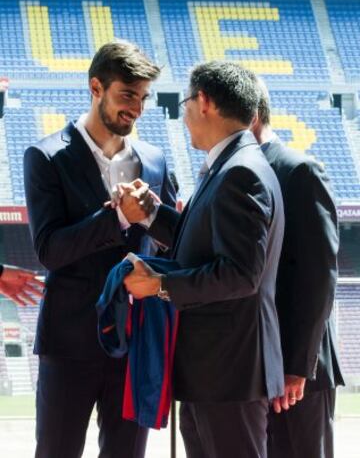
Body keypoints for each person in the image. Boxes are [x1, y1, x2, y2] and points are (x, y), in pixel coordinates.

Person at [121, 62, 285, 458]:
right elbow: (200, 246)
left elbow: (240, 273)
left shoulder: (239, 173)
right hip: (217, 371)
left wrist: (159, 286)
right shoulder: (229, 166)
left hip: (228, 372)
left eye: (185, 103)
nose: (184, 115)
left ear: (205, 102)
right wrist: (152, 215)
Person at [24, 40, 176, 458]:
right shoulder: (46, 155)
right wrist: (117, 218)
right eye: (127, 95)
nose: (137, 108)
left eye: (143, 98)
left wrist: (152, 214)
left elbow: (175, 243)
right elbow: (49, 250)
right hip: (69, 340)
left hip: (135, 340)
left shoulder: (157, 160)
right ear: (96, 87)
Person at [251, 79, 344, 458]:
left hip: (297, 372)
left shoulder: (299, 170)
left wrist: (297, 366)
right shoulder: (237, 171)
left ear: (250, 114)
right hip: (258, 367)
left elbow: (319, 274)